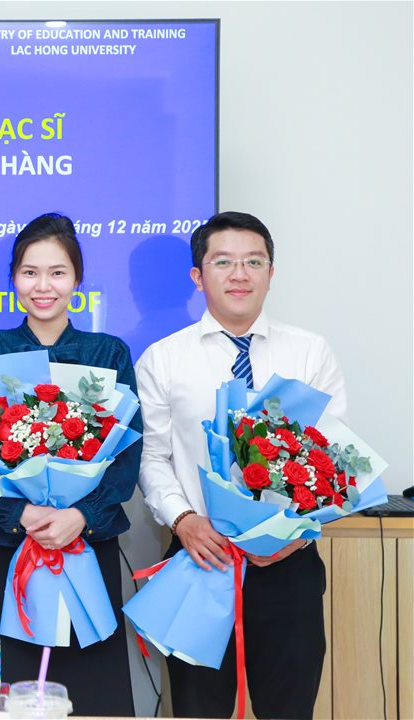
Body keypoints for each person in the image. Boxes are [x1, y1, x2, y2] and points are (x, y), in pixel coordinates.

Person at [136, 211, 343, 719]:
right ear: (198, 275)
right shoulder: (163, 358)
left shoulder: (310, 352)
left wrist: (295, 535)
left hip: (288, 563)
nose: (240, 274)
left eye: (254, 262)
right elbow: (152, 456)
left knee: (288, 709)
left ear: (271, 272)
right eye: (223, 262)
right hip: (201, 558)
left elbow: (334, 455)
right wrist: (184, 520)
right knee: (199, 710)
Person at [0, 212, 139, 716]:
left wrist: (80, 516)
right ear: (13, 278)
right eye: (30, 272)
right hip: (2, 544)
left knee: (89, 693)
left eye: (57, 272)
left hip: (84, 542)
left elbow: (125, 457)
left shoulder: (108, 353)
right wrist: (21, 514)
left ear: (77, 279)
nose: (43, 286)